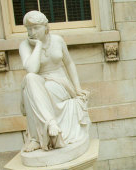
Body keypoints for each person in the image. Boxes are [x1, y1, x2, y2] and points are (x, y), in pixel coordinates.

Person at [19, 10, 90, 152]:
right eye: (29, 29)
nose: (32, 32)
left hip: (59, 82)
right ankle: (50, 125)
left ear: (46, 27)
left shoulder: (57, 40)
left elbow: (69, 63)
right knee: (30, 79)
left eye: (36, 28)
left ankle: (39, 136)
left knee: (38, 93)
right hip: (39, 81)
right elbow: (31, 69)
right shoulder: (25, 45)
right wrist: (38, 45)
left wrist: (77, 88)